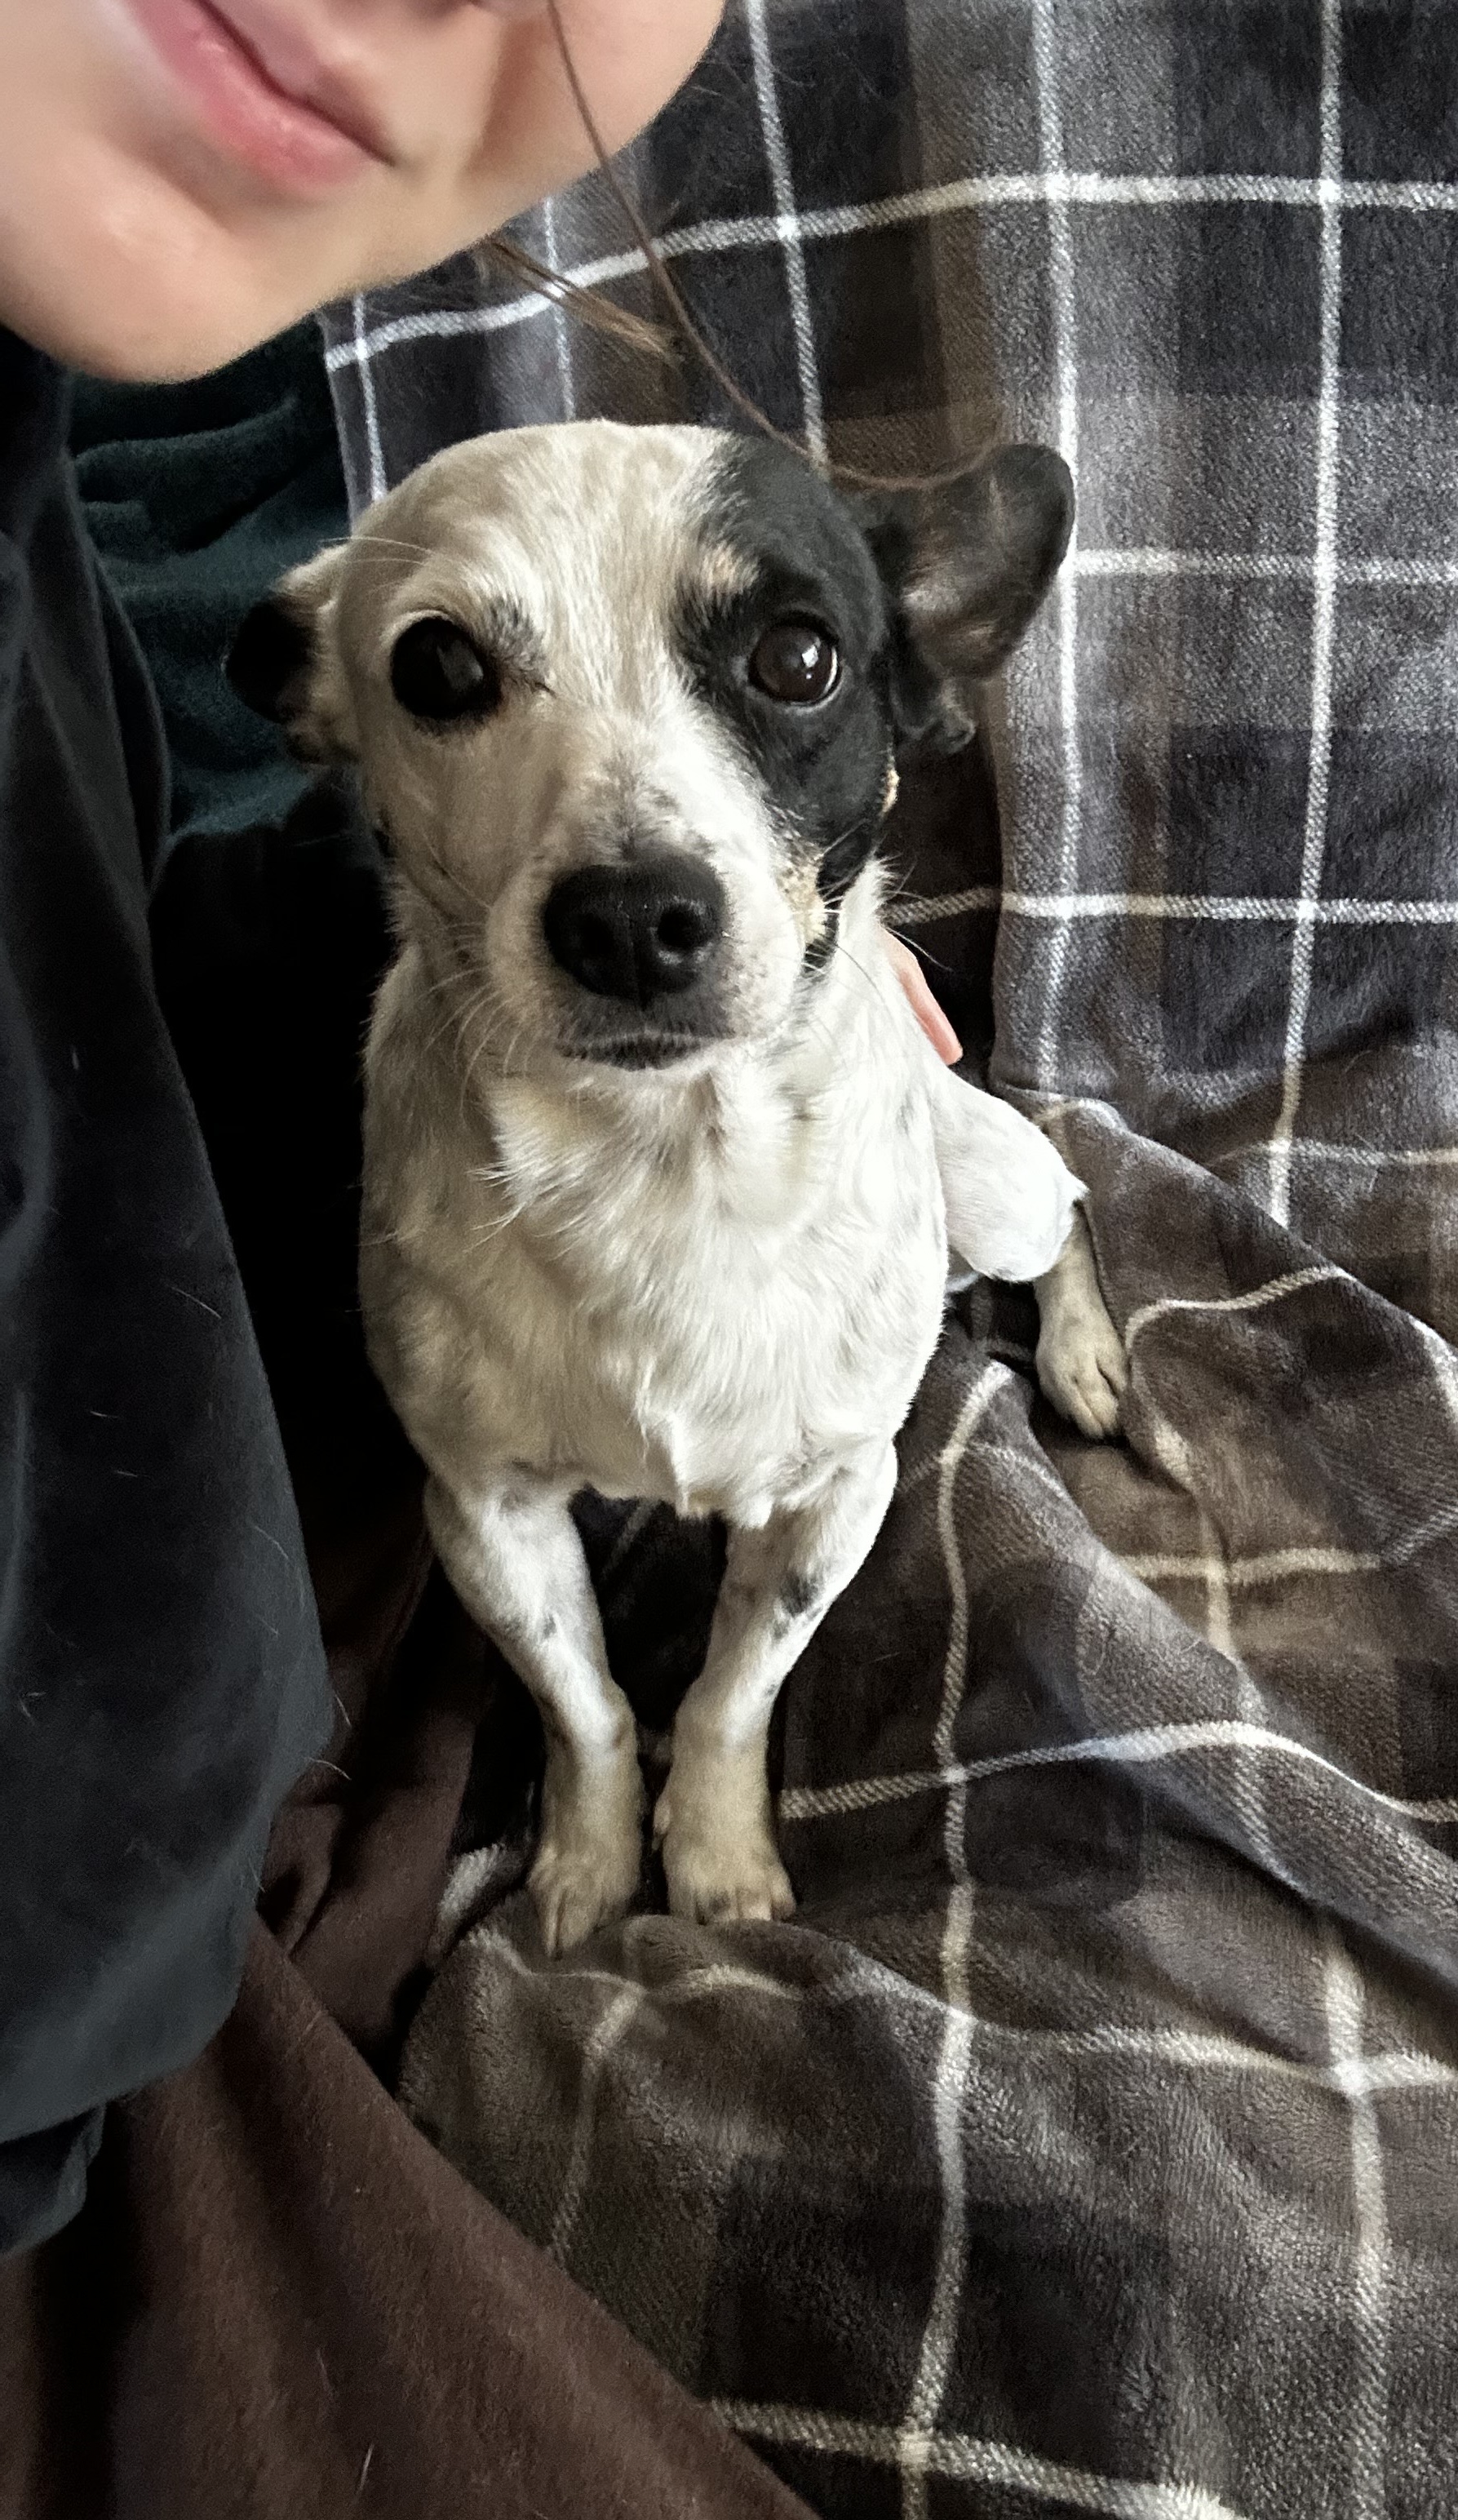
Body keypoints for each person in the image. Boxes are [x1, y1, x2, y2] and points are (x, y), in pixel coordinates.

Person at [0, 0, 959, 2260]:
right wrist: (584, 1761)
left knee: (1000, 1223)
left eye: (781, 669)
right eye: (458, 677)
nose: (634, 868)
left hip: (834, 1253)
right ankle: (613, 1758)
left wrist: (720, 1739)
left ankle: (709, 1734)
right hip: (471, 1258)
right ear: (328, 711)